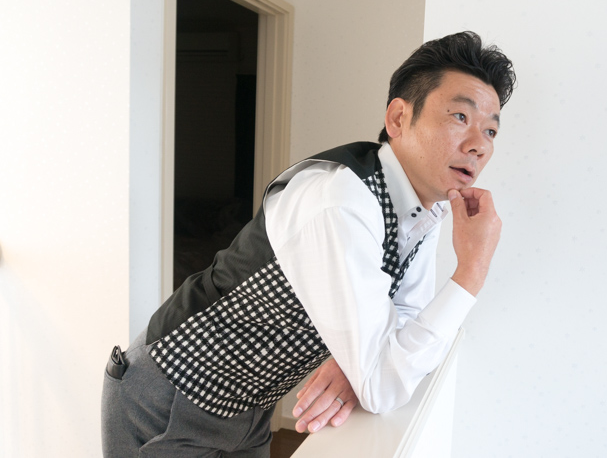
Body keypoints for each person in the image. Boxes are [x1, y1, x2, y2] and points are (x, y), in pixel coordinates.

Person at [101, 30, 515, 457]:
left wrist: (356, 364)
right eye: (460, 117)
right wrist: (472, 270)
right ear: (398, 118)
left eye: (490, 131)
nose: (478, 146)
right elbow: (381, 384)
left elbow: (404, 318)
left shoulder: (426, 207)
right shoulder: (340, 201)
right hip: (170, 394)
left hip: (249, 409)